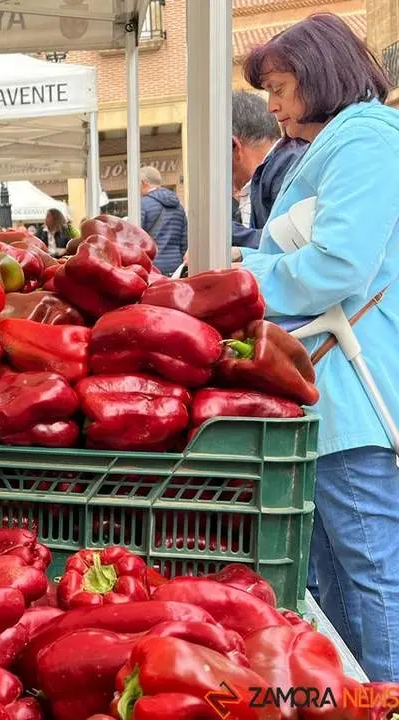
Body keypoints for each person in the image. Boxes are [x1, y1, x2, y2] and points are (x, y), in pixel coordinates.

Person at [237, 13, 399, 682]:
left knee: (369, 575)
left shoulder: (367, 143)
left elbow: (337, 265)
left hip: (350, 393)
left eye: (279, 86)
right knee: (343, 580)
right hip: (331, 391)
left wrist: (237, 272)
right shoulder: (344, 144)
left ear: (321, 74)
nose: (271, 105)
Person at [231, 90, 308, 249]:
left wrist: (224, 234)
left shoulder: (287, 168)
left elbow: (291, 243)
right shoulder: (264, 176)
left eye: (279, 88)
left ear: (234, 146)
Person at [139, 166, 188, 276]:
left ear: (143, 183)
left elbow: (136, 240)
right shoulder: (179, 207)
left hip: (152, 268)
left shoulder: (142, 205)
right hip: (176, 267)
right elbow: (184, 242)